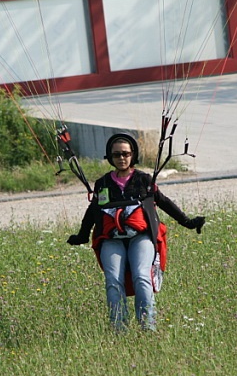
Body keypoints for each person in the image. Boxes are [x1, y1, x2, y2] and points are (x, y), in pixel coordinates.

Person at [67, 133, 205, 332]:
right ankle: (119, 329)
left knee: (142, 277)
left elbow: (163, 202)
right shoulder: (103, 183)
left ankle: (147, 328)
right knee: (113, 280)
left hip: (140, 237)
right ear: (110, 157)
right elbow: (93, 212)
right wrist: (82, 235)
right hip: (111, 239)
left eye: (125, 153)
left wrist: (188, 222)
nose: (121, 158)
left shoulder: (144, 180)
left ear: (133, 155)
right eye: (116, 154)